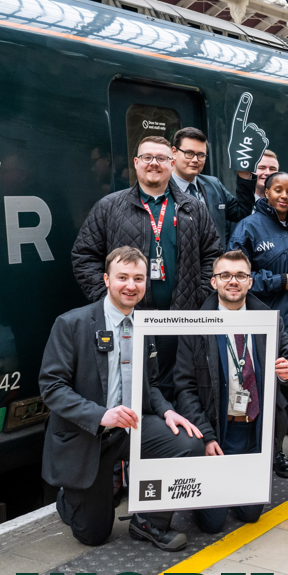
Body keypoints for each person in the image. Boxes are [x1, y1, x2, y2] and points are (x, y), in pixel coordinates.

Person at [40, 246, 205, 550]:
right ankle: (71, 495)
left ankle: (149, 523)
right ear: (106, 279)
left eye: (139, 279)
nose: (131, 286)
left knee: (188, 444)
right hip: (88, 433)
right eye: (123, 277)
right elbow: (51, 386)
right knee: (94, 536)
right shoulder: (71, 324)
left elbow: (151, 383)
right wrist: (101, 415)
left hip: (131, 428)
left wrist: (167, 411)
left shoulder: (145, 324)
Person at [71, 135, 221, 401]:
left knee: (178, 392)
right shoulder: (109, 207)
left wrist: (197, 296)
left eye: (162, 158)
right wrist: (107, 299)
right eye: (148, 158)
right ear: (136, 163)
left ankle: (170, 441)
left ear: (172, 163)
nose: (155, 163)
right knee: (129, 393)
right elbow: (84, 256)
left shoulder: (194, 209)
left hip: (180, 323)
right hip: (129, 321)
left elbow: (212, 255)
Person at [173, 251, 288, 532]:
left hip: (254, 433)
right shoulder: (195, 325)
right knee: (212, 525)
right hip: (218, 435)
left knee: (250, 515)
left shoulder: (269, 321)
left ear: (250, 282)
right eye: (225, 275)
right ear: (213, 282)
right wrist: (206, 437)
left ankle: (237, 483)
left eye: (240, 276)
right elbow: (184, 387)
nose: (232, 281)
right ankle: (209, 485)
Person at [229, 172, 288, 477]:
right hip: (263, 322)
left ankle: (276, 451)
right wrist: (277, 281)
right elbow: (236, 274)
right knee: (261, 388)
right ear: (266, 192)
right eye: (278, 189)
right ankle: (253, 448)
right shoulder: (248, 226)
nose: (285, 196)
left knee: (286, 390)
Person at [169, 127, 256, 245]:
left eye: (201, 155)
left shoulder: (214, 185)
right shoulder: (162, 187)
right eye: (189, 153)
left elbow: (241, 213)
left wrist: (244, 173)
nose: (195, 160)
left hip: (214, 261)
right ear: (174, 152)